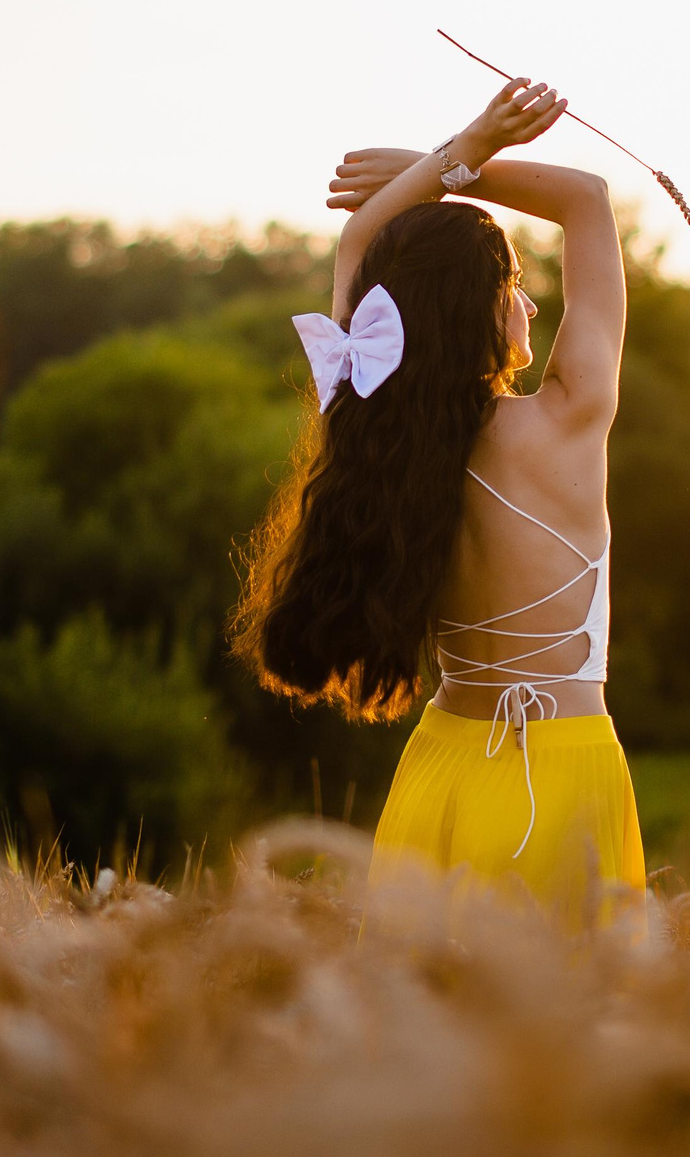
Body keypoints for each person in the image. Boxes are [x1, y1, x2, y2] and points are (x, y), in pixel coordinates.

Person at [230, 76, 642, 920]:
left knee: (411, 1035)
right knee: (565, 1044)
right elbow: (589, 202)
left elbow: (359, 245)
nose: (528, 301)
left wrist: (461, 150)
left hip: (440, 765)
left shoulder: (368, 423)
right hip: (559, 773)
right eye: (515, 282)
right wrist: (455, 164)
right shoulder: (568, 422)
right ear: (479, 310)